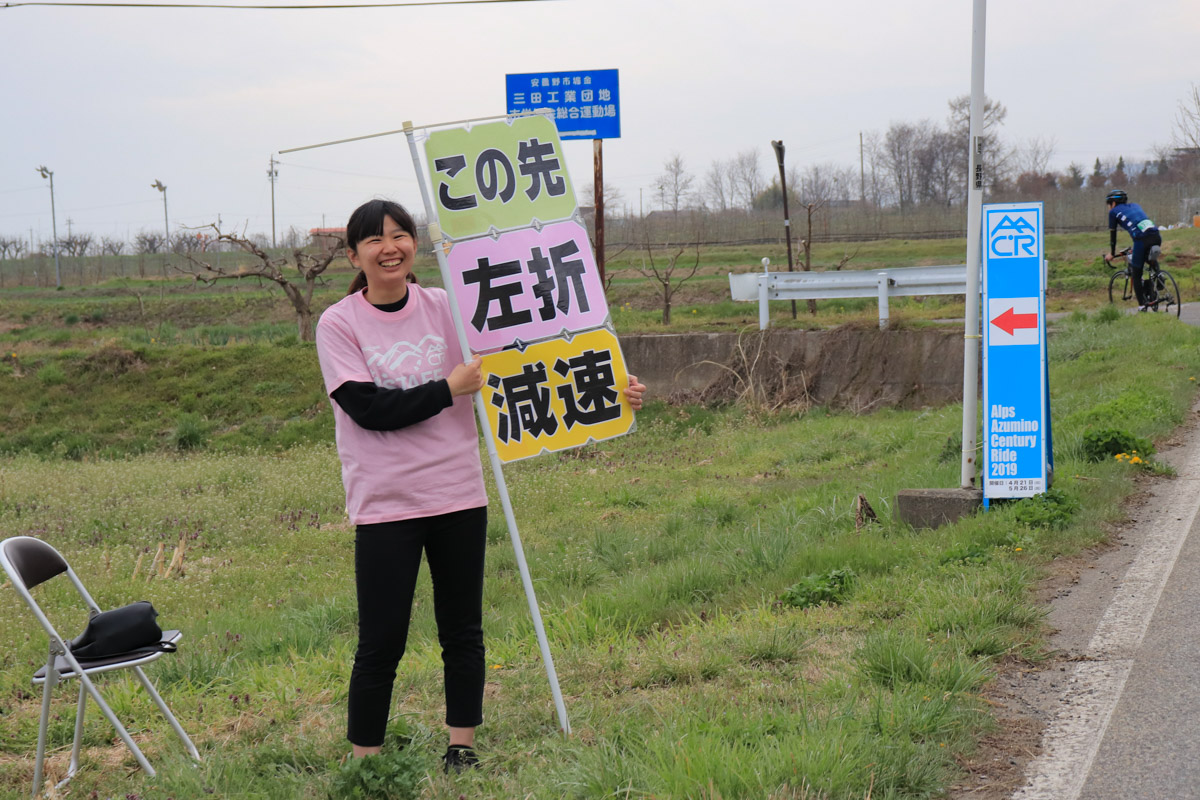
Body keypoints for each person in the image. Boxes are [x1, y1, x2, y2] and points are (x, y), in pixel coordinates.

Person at [315, 199, 646, 772]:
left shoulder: (447, 306)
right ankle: (365, 761)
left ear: (415, 245)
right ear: (354, 255)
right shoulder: (339, 322)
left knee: (462, 629)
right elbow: (365, 408)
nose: (389, 247)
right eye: (374, 240)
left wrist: (605, 387)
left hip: (458, 493)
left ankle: (461, 744)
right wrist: (448, 389)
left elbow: (524, 354)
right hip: (386, 504)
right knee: (381, 640)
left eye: (400, 235)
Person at [1103, 189, 1163, 311]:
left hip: (1141, 240)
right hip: (1156, 236)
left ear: (1113, 203)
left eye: (1108, 204)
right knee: (1148, 259)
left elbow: (1113, 236)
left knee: (1136, 273)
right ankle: (1159, 275)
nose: (1109, 208)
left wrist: (1112, 253)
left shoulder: (1113, 212)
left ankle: (1142, 307)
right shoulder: (1135, 205)